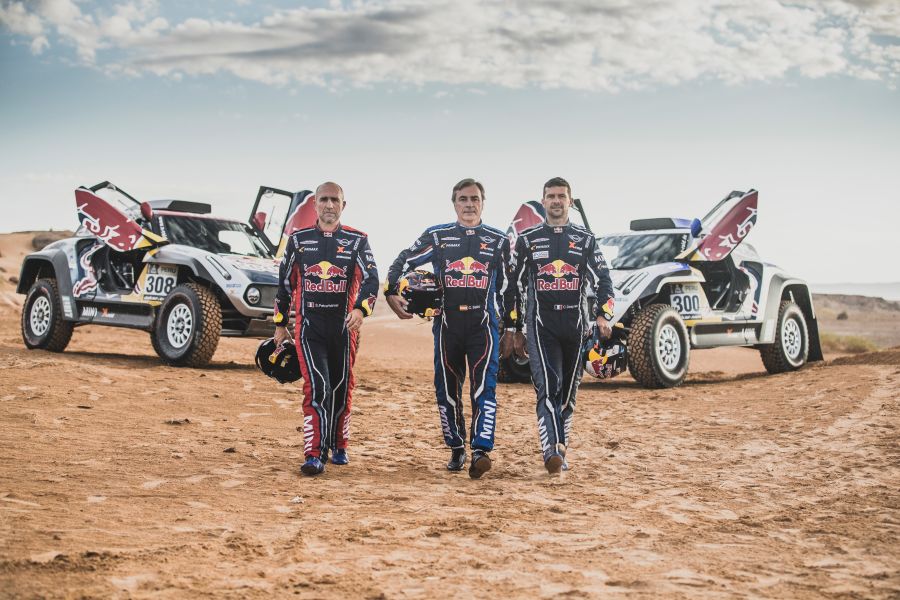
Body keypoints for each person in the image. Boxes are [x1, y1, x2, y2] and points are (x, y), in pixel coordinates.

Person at [384, 178, 513, 479]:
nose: (469, 204)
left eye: (474, 199)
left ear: (483, 202)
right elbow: (406, 258)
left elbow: (509, 288)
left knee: (484, 389)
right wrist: (391, 291)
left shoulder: (498, 240)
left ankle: (481, 450)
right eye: (463, 199)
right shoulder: (438, 236)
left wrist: (512, 327)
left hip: (484, 326)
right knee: (447, 390)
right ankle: (456, 447)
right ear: (454, 203)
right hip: (447, 325)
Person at [504, 177, 614, 474]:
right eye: (550, 196)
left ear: (570, 202)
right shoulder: (527, 240)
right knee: (548, 386)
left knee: (567, 392)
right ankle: (551, 449)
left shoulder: (586, 239)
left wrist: (604, 315)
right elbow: (511, 286)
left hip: (576, 325)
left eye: (561, 196)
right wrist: (512, 327)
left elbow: (605, 279)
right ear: (543, 202)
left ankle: (561, 449)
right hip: (541, 325)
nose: (556, 201)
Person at [273, 182, 378, 476]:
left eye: (335, 200)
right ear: (316, 204)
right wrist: (280, 324)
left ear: (344, 205)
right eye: (324, 200)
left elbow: (372, 279)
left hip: (345, 331)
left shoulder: (358, 241)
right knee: (317, 387)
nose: (329, 205)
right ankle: (314, 453)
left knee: (341, 387)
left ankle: (339, 444)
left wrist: (360, 309)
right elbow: (283, 284)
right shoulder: (298, 240)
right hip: (310, 329)